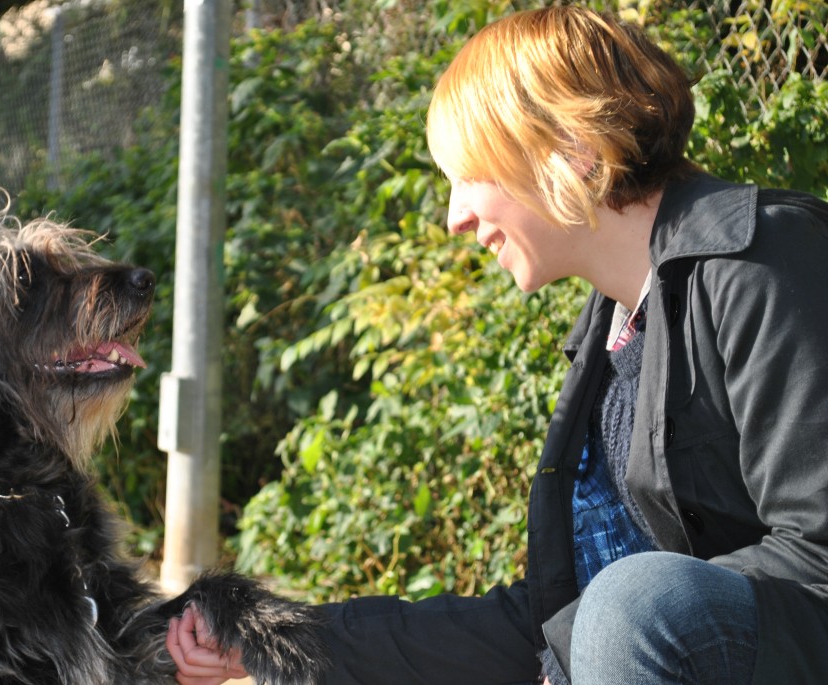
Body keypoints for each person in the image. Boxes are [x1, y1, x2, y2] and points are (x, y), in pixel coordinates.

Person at [166, 5, 828, 684]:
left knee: (627, 604)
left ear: (572, 150)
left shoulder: (765, 261)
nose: (455, 217)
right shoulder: (613, 339)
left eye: (469, 176)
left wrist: (599, 626)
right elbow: (541, 622)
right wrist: (277, 639)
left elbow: (817, 559)